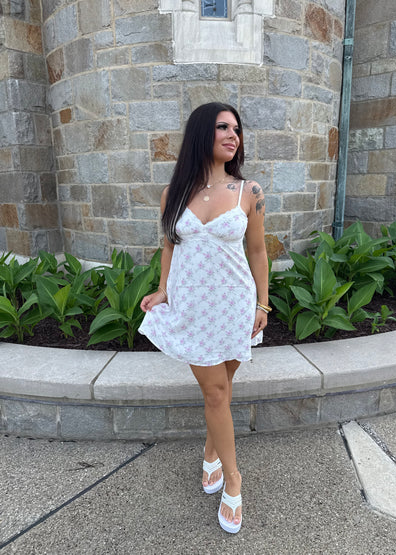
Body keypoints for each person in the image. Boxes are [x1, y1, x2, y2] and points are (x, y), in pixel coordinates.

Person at [139, 102, 270, 534]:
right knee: (215, 392)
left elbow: (258, 252)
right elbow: (169, 246)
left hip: (234, 306)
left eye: (237, 129)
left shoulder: (249, 192)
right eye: (222, 127)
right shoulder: (173, 193)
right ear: (201, 133)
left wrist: (263, 304)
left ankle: (212, 454)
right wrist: (163, 289)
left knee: (222, 390)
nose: (233, 135)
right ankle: (234, 480)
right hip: (194, 308)